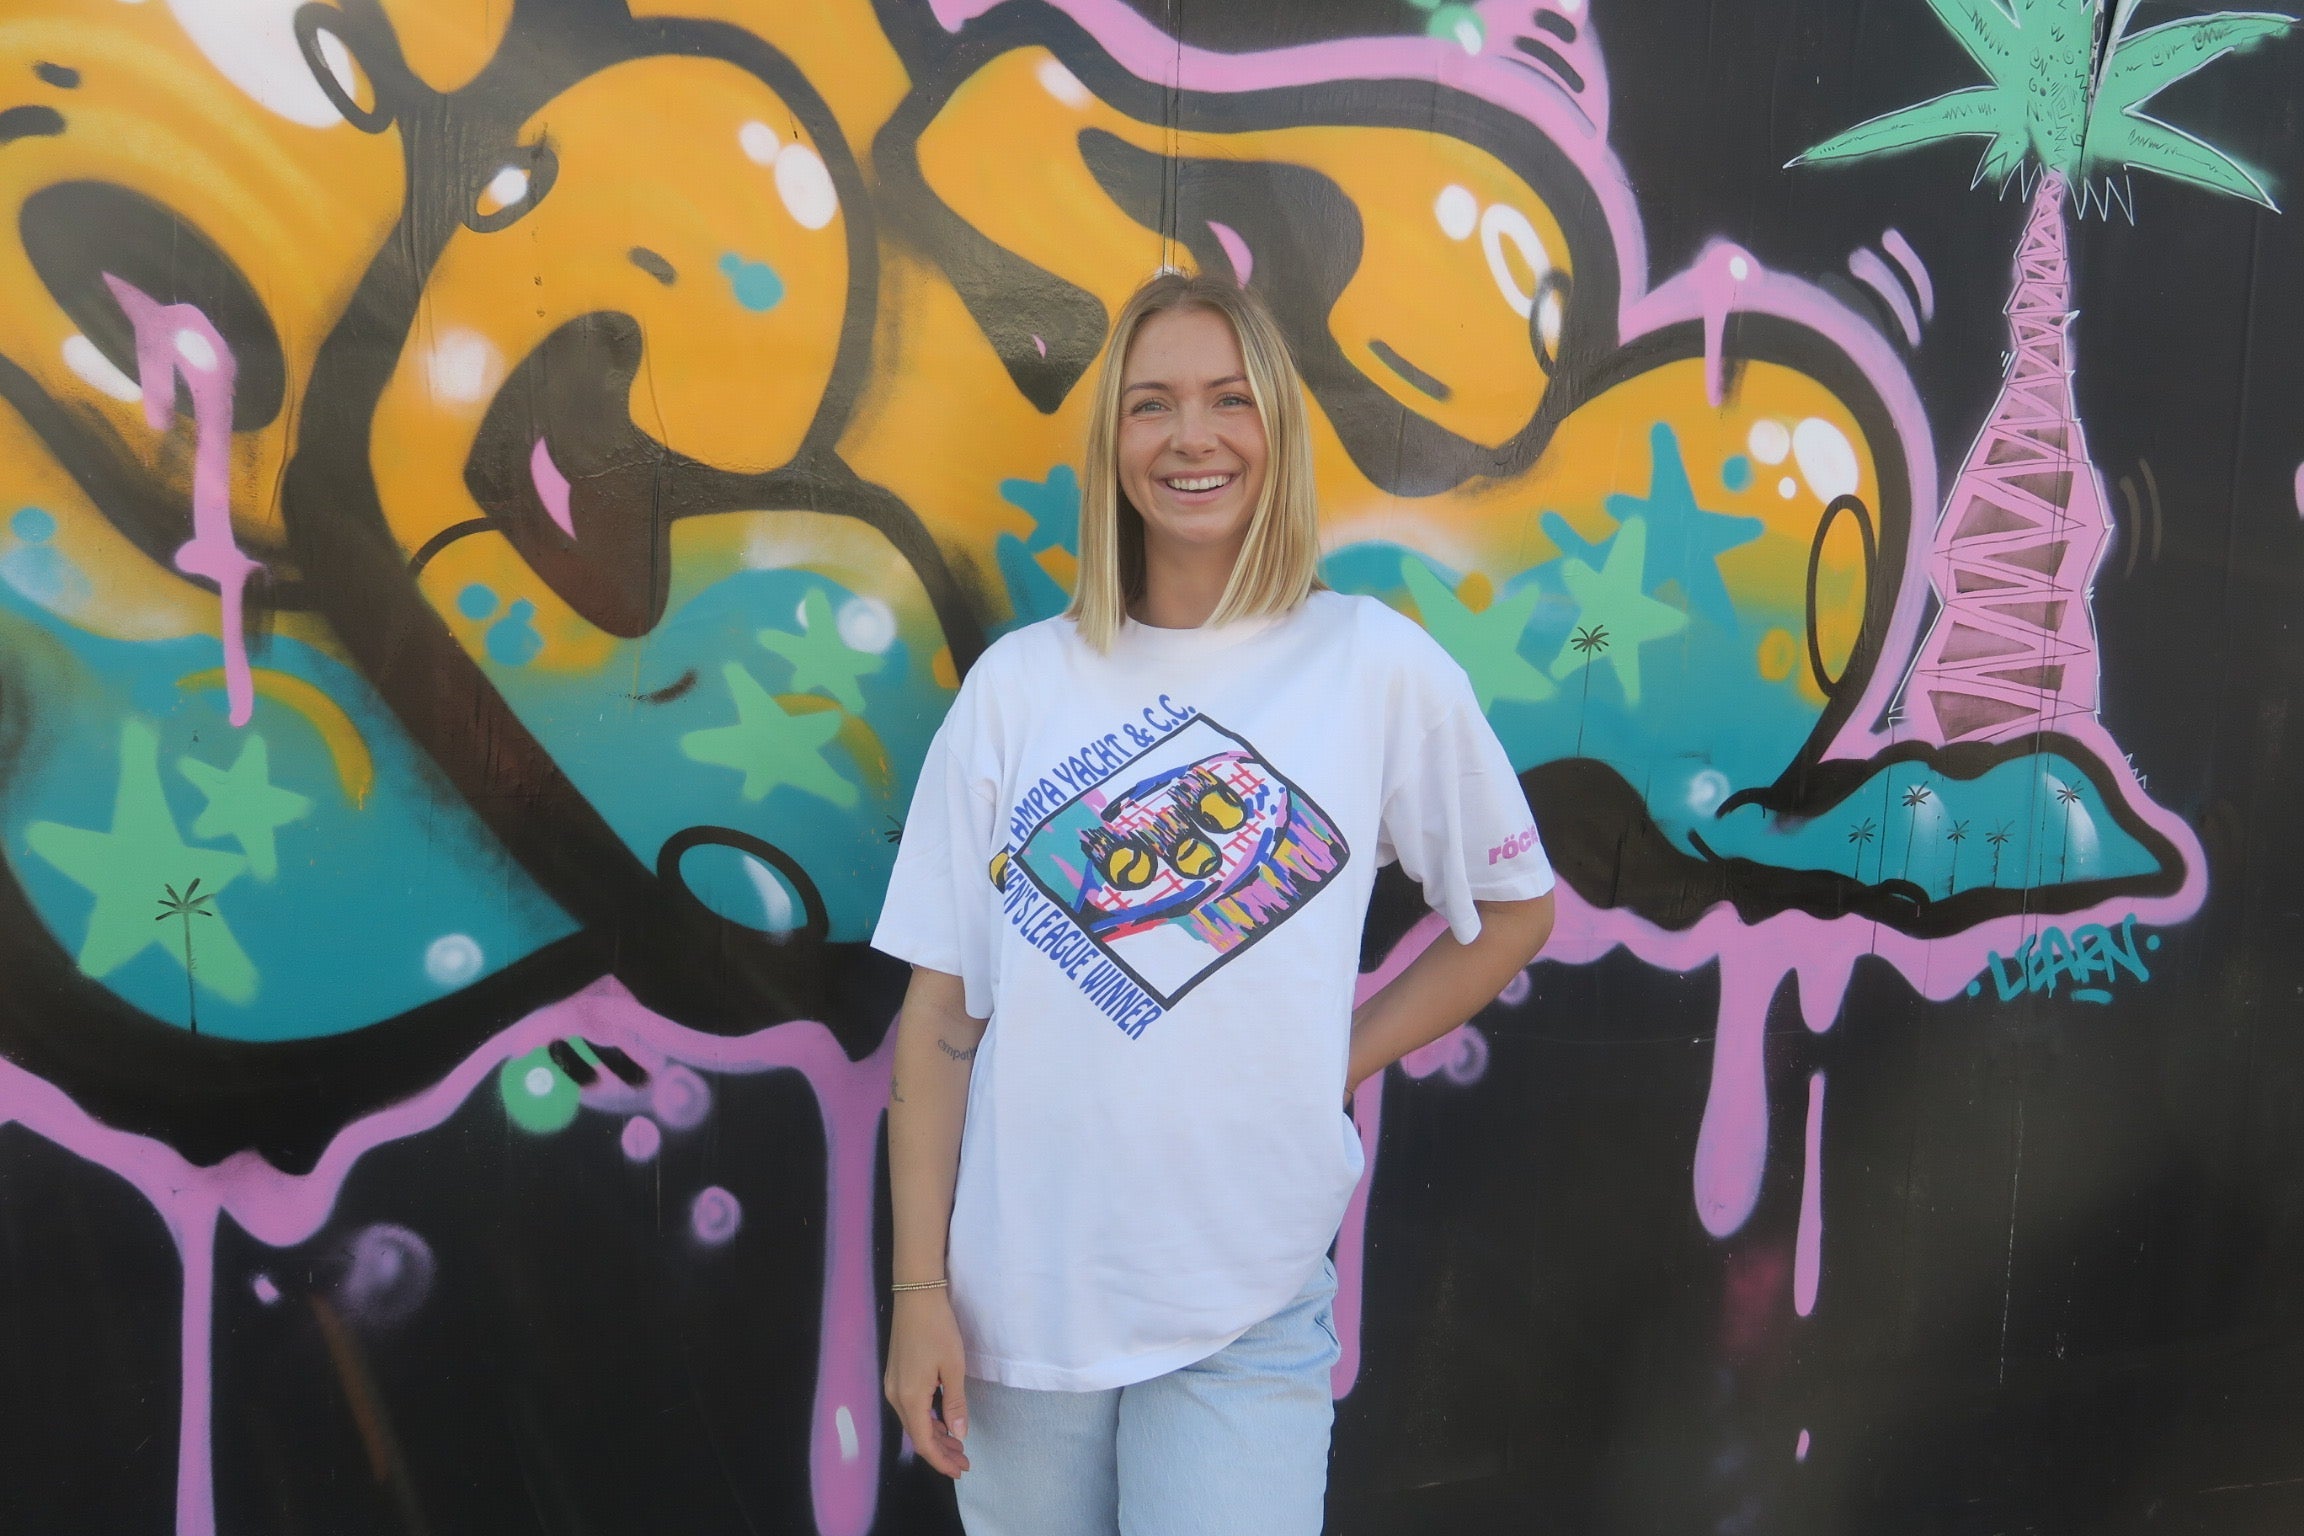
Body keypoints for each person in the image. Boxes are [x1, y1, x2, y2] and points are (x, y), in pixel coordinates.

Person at [872, 269, 1556, 1535]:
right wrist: (919, 1289)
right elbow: (938, 1019)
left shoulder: (1372, 666)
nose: (1192, 436)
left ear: (1276, 432)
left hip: (1249, 1288)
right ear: (1113, 445)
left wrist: (1332, 1059)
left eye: (1228, 400)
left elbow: (1515, 909)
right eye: (1152, 405)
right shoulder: (1020, 691)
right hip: (1020, 1308)